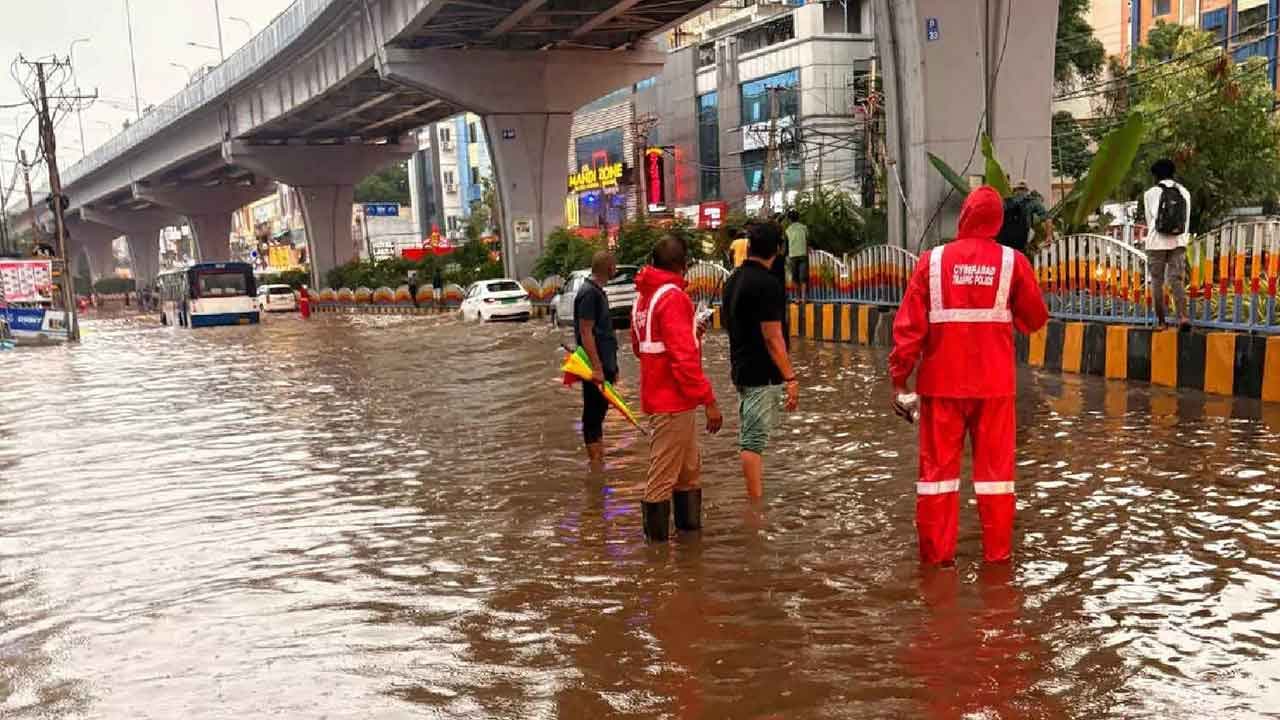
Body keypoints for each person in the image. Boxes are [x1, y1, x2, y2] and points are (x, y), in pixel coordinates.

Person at [889, 186, 1048, 565]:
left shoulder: (932, 261)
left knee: (937, 478)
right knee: (996, 480)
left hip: (940, 387)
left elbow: (909, 328)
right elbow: (1035, 319)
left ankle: (937, 562)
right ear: (998, 222)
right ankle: (997, 561)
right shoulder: (1013, 264)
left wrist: (900, 380)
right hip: (994, 389)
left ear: (963, 216)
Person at [632, 233, 723, 541]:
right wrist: (709, 400)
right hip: (673, 403)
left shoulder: (644, 298)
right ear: (682, 265)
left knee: (688, 474)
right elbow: (683, 359)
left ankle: (688, 547)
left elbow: (642, 347)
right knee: (662, 479)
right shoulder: (672, 297)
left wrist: (692, 332)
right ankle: (656, 562)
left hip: (666, 401)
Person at [722, 221, 799, 499]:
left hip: (741, 369)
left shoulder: (733, 280)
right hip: (761, 374)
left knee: (751, 437)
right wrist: (790, 377)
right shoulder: (767, 285)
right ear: (778, 249)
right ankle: (754, 507)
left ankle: (755, 497)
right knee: (753, 442)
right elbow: (773, 337)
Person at [576, 251, 620, 471]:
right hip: (596, 368)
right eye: (615, 265)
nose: (617, 269)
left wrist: (613, 366)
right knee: (592, 416)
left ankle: (599, 460)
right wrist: (598, 368)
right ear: (609, 267)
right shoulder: (589, 294)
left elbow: (605, 332)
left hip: (605, 365)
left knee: (599, 414)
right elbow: (586, 332)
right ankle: (595, 465)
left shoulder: (597, 292)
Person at [1144, 158, 1192, 329]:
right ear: (1173, 173)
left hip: (1156, 242)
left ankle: (1162, 322)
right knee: (1176, 279)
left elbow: (1151, 221)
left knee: (1157, 281)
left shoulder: (1150, 193)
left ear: (1156, 176)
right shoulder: (1184, 192)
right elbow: (1185, 220)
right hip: (1178, 241)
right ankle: (1183, 317)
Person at [996, 180, 1050, 254]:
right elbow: (1047, 218)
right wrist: (1049, 236)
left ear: (1014, 190)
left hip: (1004, 242)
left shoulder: (1004, 202)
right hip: (1020, 241)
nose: (1021, 192)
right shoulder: (1032, 202)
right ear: (1027, 191)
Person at [785, 209, 808, 301]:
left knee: (795, 277)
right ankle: (804, 298)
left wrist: (785, 255)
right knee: (803, 277)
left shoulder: (788, 230)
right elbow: (807, 239)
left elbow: (786, 244)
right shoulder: (804, 227)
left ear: (789, 219)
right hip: (803, 254)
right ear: (798, 218)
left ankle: (797, 298)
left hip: (792, 255)